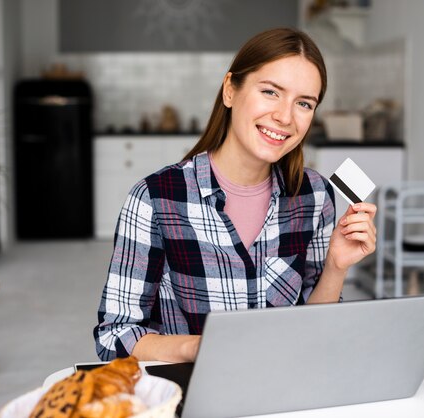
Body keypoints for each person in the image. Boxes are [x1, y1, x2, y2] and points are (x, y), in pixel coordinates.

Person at [94, 27, 377, 363]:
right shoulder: (154, 199)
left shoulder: (315, 196)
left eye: (303, 103)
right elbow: (114, 336)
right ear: (230, 90)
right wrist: (197, 347)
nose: (285, 117)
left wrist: (335, 266)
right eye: (271, 92)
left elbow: (314, 330)